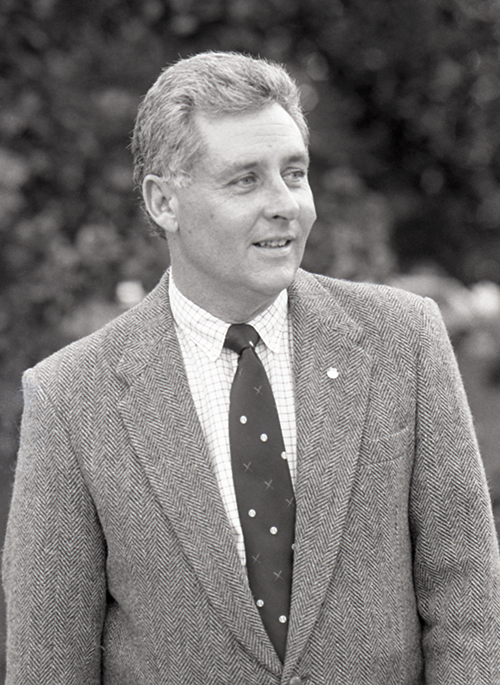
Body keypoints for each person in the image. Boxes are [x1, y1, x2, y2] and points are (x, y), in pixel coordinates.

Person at [3, 51, 500, 685]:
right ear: (163, 202)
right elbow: (48, 664)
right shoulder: (70, 396)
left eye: (295, 173)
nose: (284, 203)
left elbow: (467, 600)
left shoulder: (404, 340)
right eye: (245, 180)